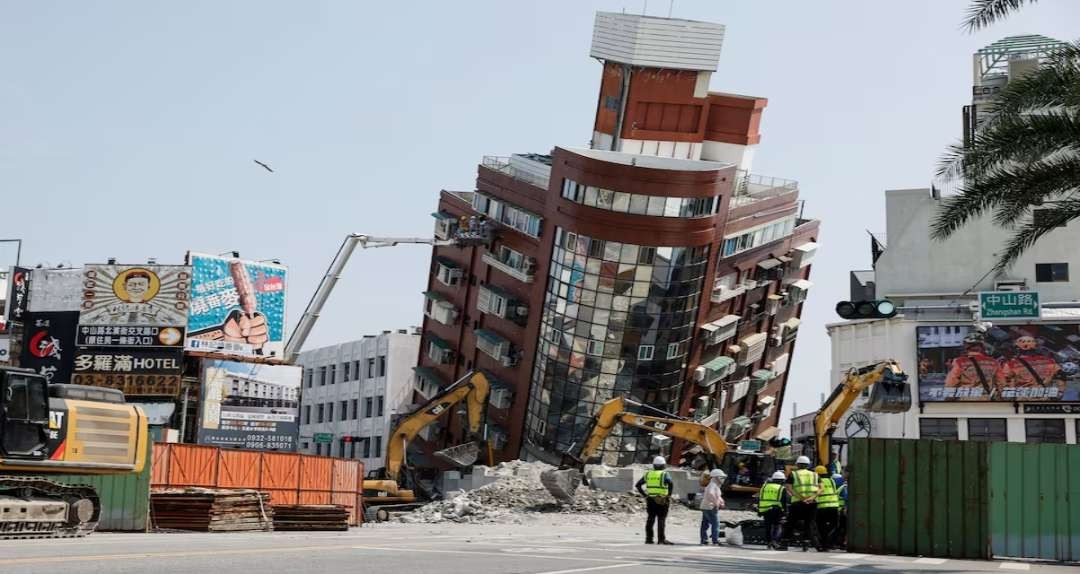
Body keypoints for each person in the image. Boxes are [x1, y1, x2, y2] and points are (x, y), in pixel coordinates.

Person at [943, 331, 1001, 399]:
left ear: (966, 346)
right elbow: (1001, 384)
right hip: (987, 401)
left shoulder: (959, 362)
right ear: (982, 346)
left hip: (967, 402)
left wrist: (948, 400)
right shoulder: (994, 362)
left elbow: (951, 384)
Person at [635, 456, 675, 545]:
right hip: (662, 499)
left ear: (654, 465)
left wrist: (645, 495)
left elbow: (638, 485)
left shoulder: (648, 474)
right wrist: (668, 495)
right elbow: (671, 483)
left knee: (650, 519)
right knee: (661, 519)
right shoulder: (664, 474)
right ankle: (661, 539)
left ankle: (649, 539)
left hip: (650, 499)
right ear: (663, 465)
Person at [785, 455, 821, 551]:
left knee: (791, 522)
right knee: (809, 523)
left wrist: (801, 498)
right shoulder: (815, 474)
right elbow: (821, 488)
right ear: (808, 465)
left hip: (798, 503)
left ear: (797, 465)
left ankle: (784, 543)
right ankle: (806, 544)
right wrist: (812, 498)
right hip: (812, 503)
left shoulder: (793, 474)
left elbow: (789, 487)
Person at [758, 470, 788, 550]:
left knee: (768, 527)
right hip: (777, 510)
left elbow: (760, 498)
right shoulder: (781, 488)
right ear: (782, 480)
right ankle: (774, 541)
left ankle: (769, 542)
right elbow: (784, 501)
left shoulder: (764, 487)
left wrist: (759, 510)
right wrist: (785, 512)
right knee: (777, 526)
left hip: (765, 510)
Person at [814, 466, 840, 551]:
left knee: (821, 527)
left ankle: (824, 544)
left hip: (822, 507)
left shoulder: (817, 481)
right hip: (833, 506)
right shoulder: (832, 481)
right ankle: (829, 543)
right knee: (834, 526)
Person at [699, 468, 726, 545]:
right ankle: (715, 540)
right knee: (715, 524)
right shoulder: (713, 484)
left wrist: (721, 501)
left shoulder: (714, 485)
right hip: (710, 507)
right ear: (716, 477)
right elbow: (711, 494)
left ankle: (704, 540)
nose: (723, 479)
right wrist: (716, 503)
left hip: (705, 506)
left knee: (705, 524)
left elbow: (716, 495)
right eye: (721, 477)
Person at [833, 473, 848, 548]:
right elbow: (846, 498)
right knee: (843, 528)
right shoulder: (844, 487)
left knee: (839, 527)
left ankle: (836, 542)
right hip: (842, 510)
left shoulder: (839, 487)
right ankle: (841, 542)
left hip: (838, 509)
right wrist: (845, 508)